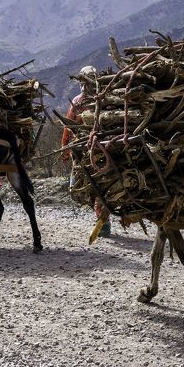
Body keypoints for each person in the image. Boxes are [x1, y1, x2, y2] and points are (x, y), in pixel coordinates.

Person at [61, 66, 111, 238]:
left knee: (86, 185)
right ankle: (103, 220)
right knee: (102, 185)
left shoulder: (78, 101)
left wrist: (65, 149)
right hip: (105, 148)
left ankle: (102, 221)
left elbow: (68, 126)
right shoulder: (106, 97)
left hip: (84, 151)